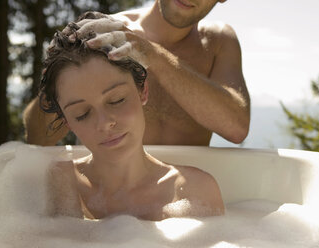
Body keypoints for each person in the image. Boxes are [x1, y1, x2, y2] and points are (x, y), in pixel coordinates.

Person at [41, 20, 225, 220]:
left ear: (143, 91)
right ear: (67, 121)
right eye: (82, 113)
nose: (104, 123)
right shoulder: (52, 186)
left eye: (116, 100)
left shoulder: (194, 192)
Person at [23, 0, 250, 146]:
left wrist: (153, 56)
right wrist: (56, 80)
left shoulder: (218, 41)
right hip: (109, 206)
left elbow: (237, 128)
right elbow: (37, 139)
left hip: (190, 198)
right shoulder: (106, 32)